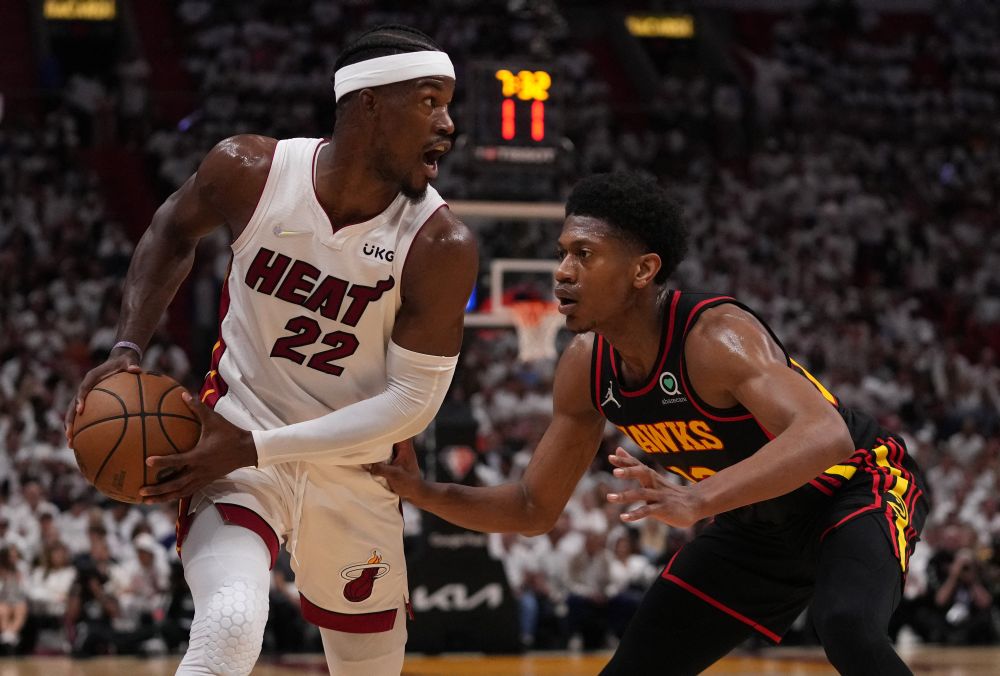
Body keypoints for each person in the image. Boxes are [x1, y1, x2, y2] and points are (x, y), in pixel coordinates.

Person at [374, 172, 928, 675]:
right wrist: (422, 491)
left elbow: (825, 435)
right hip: (755, 525)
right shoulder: (586, 367)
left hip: (856, 490)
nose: (562, 272)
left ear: (643, 270)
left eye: (585, 255)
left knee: (848, 626)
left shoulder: (715, 338)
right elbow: (531, 508)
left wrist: (699, 498)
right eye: (562, 253)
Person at [65, 24, 476, 676]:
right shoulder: (251, 171)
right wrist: (127, 345)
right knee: (230, 620)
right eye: (430, 102)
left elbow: (411, 406)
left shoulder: (440, 244)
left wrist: (255, 446)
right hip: (235, 440)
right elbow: (170, 233)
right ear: (369, 104)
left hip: (357, 467)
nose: (449, 125)